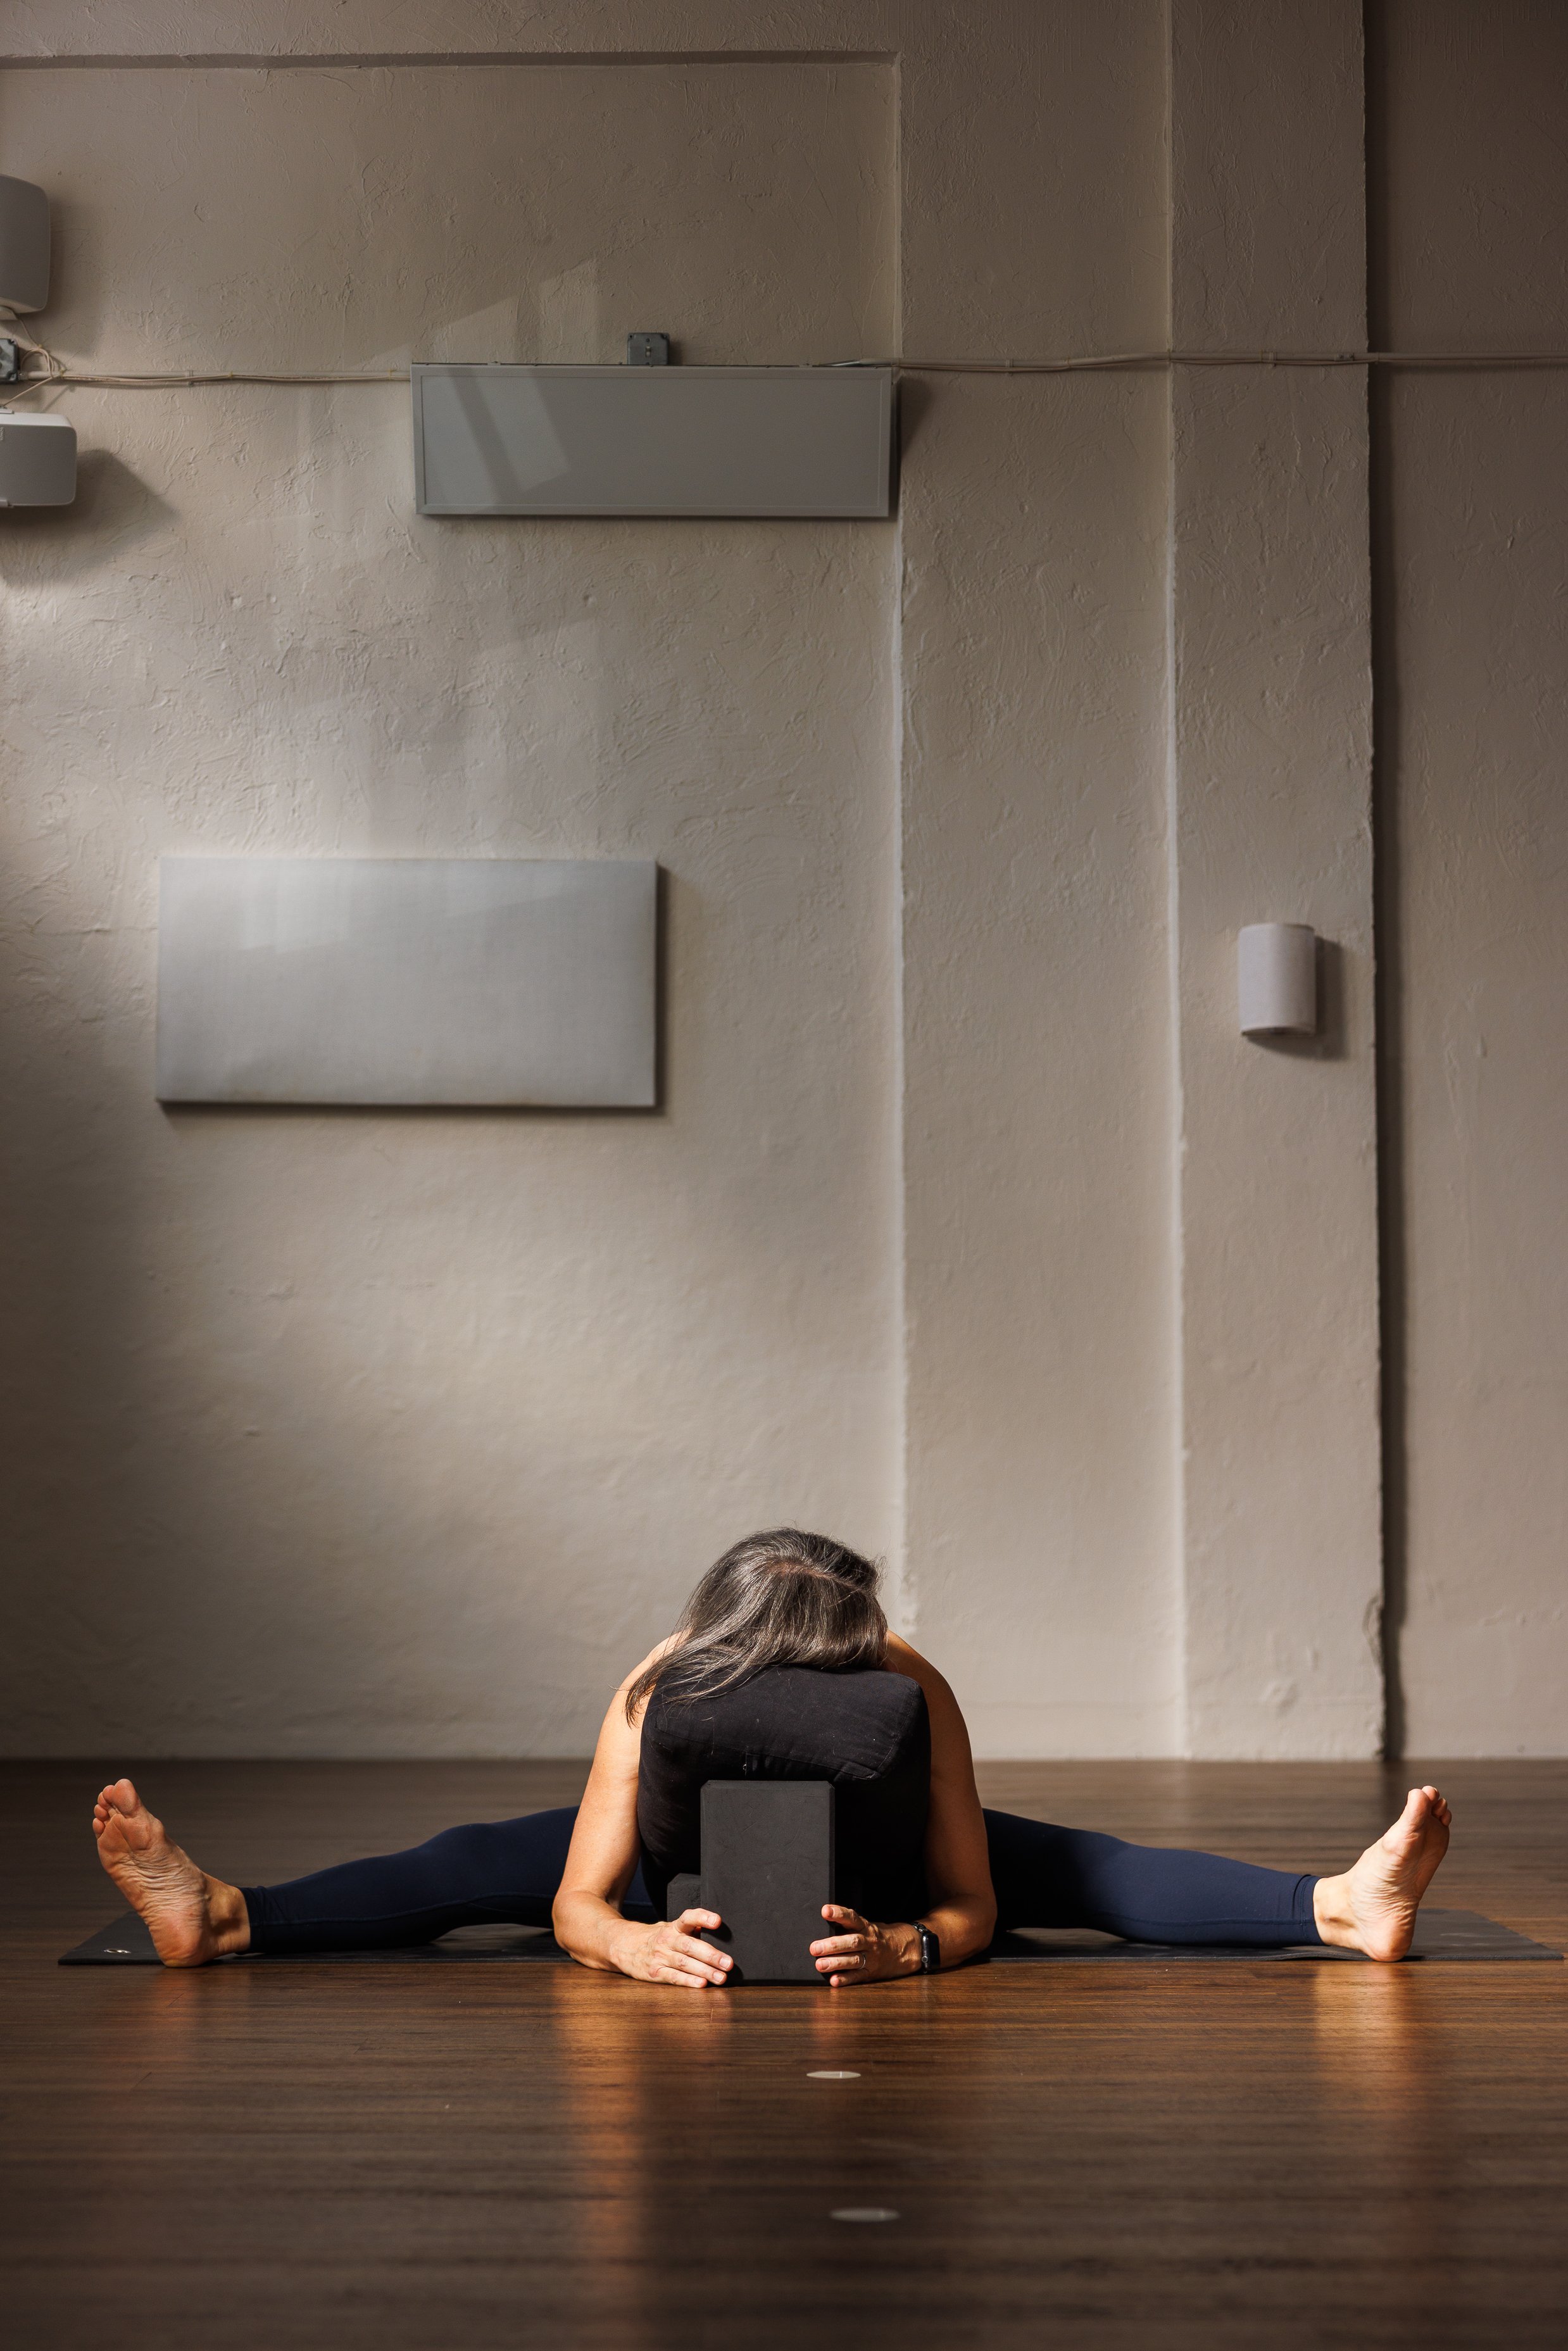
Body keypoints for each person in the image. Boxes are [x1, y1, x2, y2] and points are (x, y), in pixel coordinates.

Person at [89, 1529, 1452, 1984]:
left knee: (1078, 1866)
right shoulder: (656, 1687)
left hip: (886, 1865)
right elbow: (573, 1900)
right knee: (485, 1863)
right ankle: (220, 1917)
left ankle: (1337, 1906)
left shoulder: (910, 1680)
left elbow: (977, 1898)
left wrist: (914, 1946)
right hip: (666, 1879)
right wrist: (631, 1947)